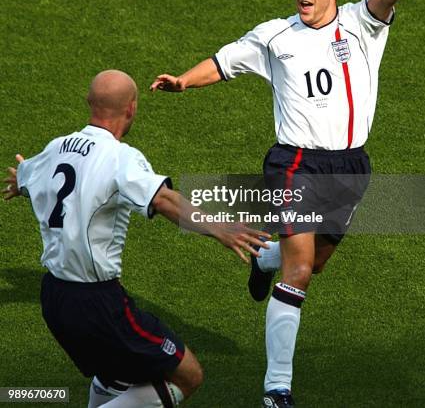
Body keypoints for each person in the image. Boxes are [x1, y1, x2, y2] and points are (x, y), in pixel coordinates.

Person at [150, 0, 425, 407]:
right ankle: (276, 387)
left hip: (351, 167)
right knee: (299, 274)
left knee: (314, 264)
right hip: (294, 164)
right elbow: (223, 63)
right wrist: (182, 82)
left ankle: (265, 255)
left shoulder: (362, 24)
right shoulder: (274, 36)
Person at [3, 70, 270, 408]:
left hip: (54, 297)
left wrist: (20, 183)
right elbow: (164, 200)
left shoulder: (56, 148)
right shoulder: (120, 158)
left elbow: (28, 177)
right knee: (187, 375)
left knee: (118, 374)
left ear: (89, 103)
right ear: (131, 109)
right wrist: (222, 229)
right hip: (97, 302)